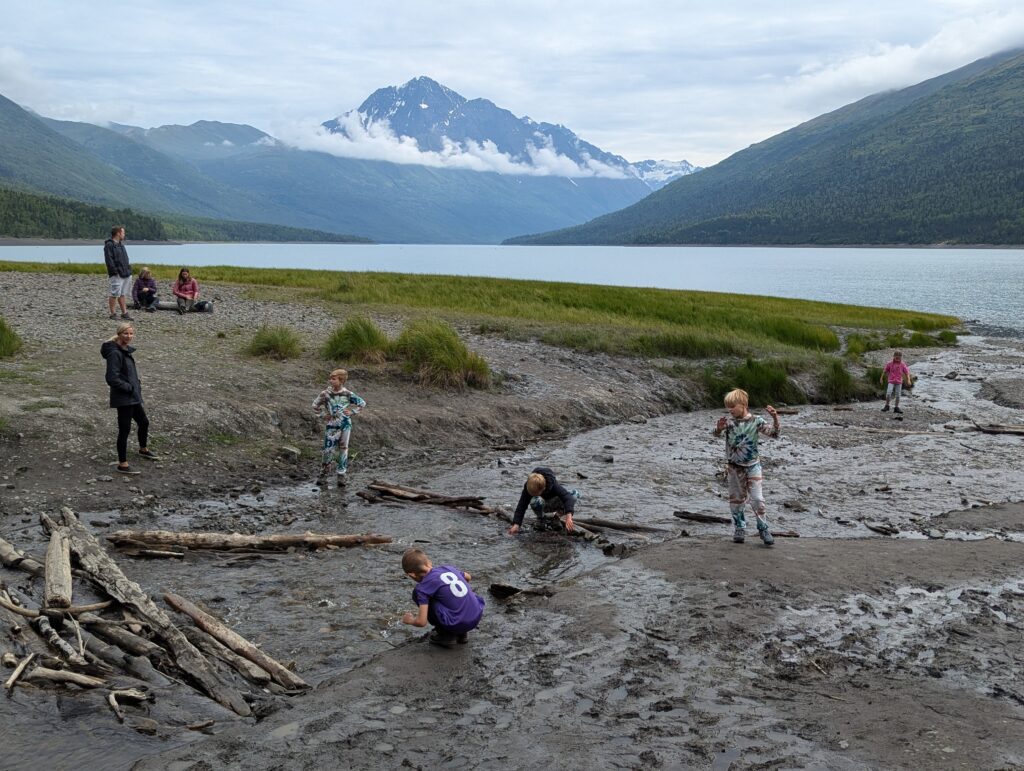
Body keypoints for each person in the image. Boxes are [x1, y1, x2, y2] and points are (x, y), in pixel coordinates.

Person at [712, 388, 779, 546]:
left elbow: (774, 434)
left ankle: (763, 528)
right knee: (736, 500)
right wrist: (719, 429)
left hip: (753, 466)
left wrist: (775, 418)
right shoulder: (729, 423)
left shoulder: (756, 421)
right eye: (728, 407)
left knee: (757, 499)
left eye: (733, 406)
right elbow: (715, 434)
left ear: (744, 405)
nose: (730, 410)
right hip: (734, 468)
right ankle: (739, 527)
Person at [101, 323, 158, 474]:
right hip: (124, 397)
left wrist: (135, 387)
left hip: (133, 396)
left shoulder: (124, 350)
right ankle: (123, 464)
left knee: (144, 422)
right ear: (119, 334)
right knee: (124, 429)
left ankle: (143, 449)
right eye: (126, 333)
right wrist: (129, 387)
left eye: (131, 334)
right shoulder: (115, 353)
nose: (129, 336)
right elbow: (111, 378)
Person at [400, 548, 485, 648]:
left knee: (417, 594)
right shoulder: (448, 568)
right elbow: (468, 577)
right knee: (456, 597)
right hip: (475, 617)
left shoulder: (422, 588)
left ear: (412, 575)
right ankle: (462, 634)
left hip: (457, 623)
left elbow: (421, 622)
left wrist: (410, 620)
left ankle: (447, 635)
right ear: (429, 562)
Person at [311, 368, 366, 487]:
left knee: (343, 448)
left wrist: (352, 412)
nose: (331, 381)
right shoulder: (325, 393)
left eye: (334, 379)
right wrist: (322, 415)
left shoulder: (347, 394)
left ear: (341, 380)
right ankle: (323, 475)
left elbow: (362, 403)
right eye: (330, 378)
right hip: (331, 425)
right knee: (328, 449)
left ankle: (341, 475)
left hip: (345, 424)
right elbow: (315, 405)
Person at [507, 467, 579, 535]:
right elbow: (521, 506)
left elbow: (567, 497)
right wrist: (516, 524)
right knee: (535, 500)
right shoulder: (529, 486)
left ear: (543, 488)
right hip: (541, 505)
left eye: (536, 494)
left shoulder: (553, 485)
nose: (532, 495)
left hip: (555, 503)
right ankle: (541, 519)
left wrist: (569, 516)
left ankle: (557, 517)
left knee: (574, 494)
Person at [104, 225, 133, 321]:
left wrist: (129, 270)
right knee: (115, 293)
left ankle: (124, 313)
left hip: (126, 273)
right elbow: (109, 260)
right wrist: (115, 272)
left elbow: (125, 259)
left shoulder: (121, 245)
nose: (124, 234)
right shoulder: (109, 245)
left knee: (123, 293)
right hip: (116, 274)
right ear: (118, 233)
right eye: (123, 232)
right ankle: (113, 313)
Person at [880, 350, 911, 414]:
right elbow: (885, 371)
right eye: (896, 356)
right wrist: (881, 378)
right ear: (894, 356)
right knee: (888, 393)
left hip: (899, 381)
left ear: (901, 357)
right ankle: (887, 406)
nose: (897, 357)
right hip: (891, 380)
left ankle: (896, 407)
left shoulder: (902, 364)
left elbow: (907, 372)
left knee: (898, 395)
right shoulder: (889, 363)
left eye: (899, 356)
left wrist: (908, 380)